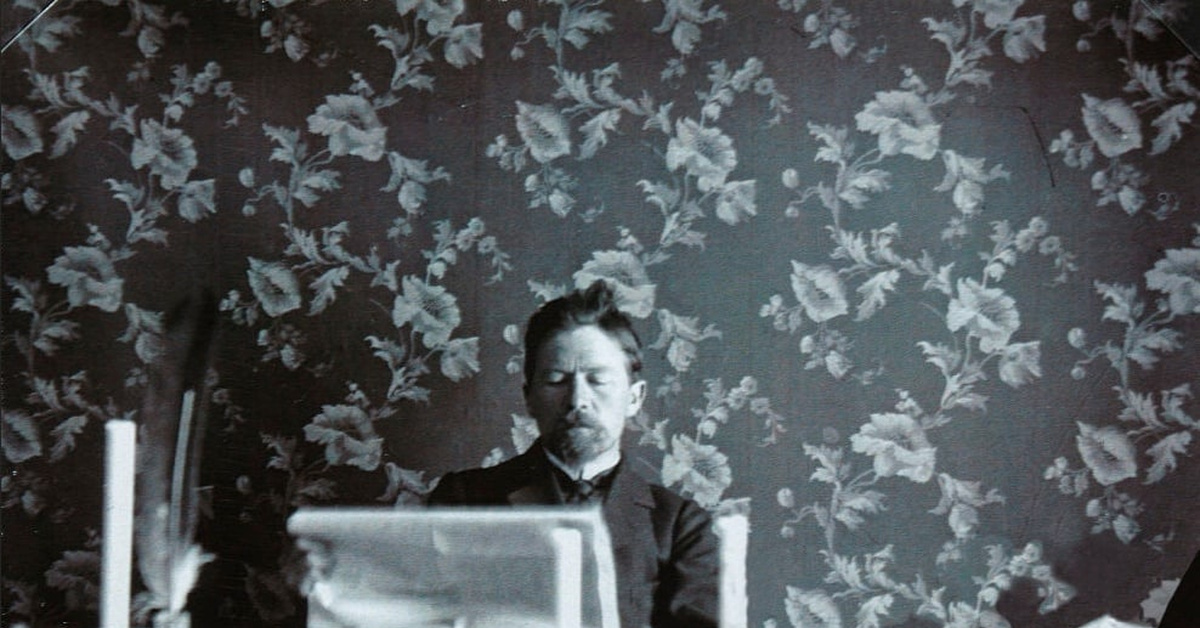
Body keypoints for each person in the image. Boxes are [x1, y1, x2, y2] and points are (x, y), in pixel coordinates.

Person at [427, 281, 720, 628]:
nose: (578, 400)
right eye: (556, 380)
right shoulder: (463, 501)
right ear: (529, 398)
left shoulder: (680, 526)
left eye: (598, 380)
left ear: (634, 398)